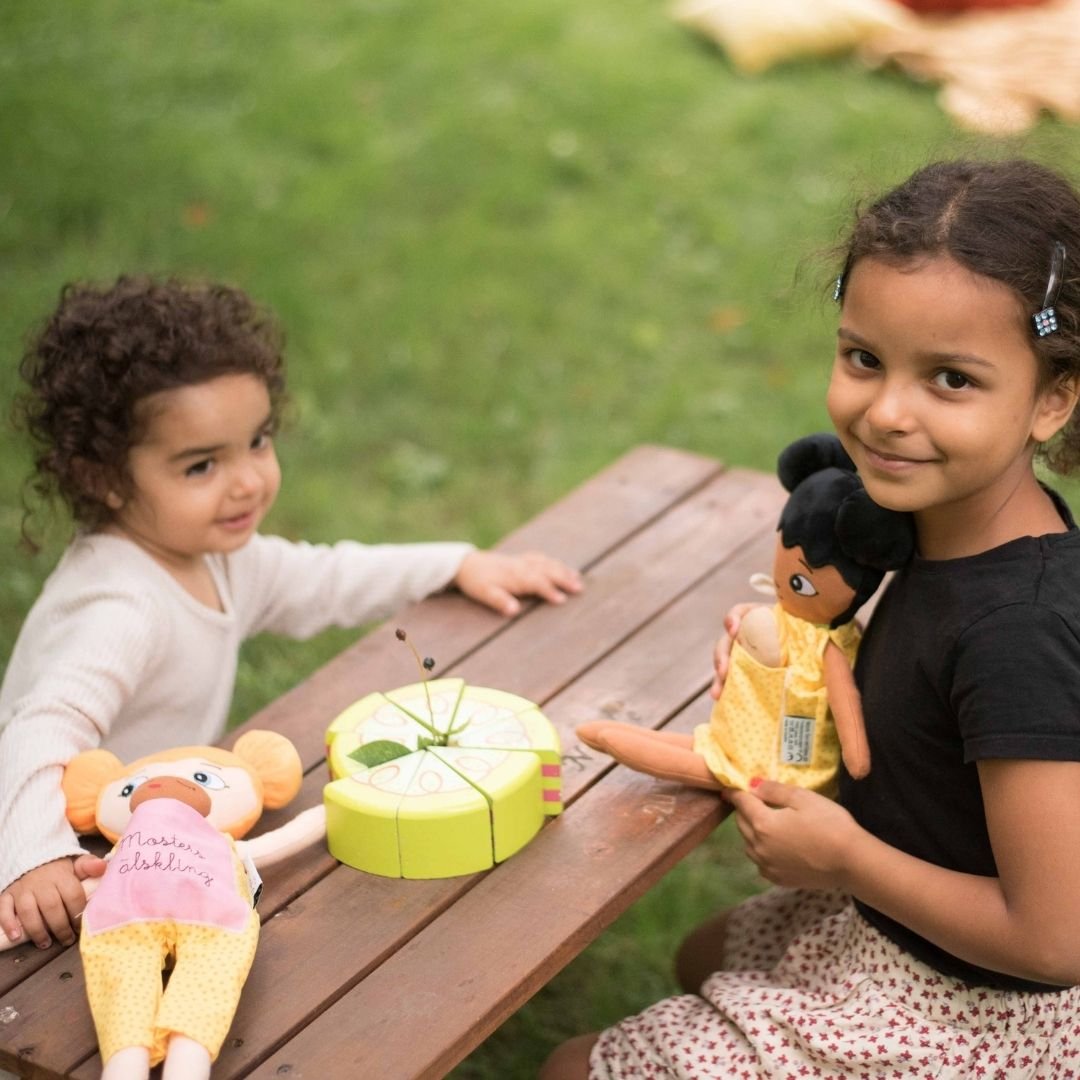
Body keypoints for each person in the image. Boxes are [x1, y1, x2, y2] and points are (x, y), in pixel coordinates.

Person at [541, 157, 1080, 1079]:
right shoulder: (948, 525)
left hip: (976, 1015)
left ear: (1053, 399)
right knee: (701, 955)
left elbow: (1053, 939)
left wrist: (848, 863)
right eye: (864, 358)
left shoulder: (1018, 630)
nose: (887, 414)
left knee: (569, 1068)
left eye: (951, 379)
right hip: (895, 921)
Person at [0, 275, 583, 953]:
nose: (248, 479)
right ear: (102, 478)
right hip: (65, 872)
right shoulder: (121, 606)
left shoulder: (212, 554)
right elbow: (36, 731)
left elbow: (324, 577)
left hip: (158, 840)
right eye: (200, 467)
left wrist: (455, 564)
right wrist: (35, 858)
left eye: (258, 440)